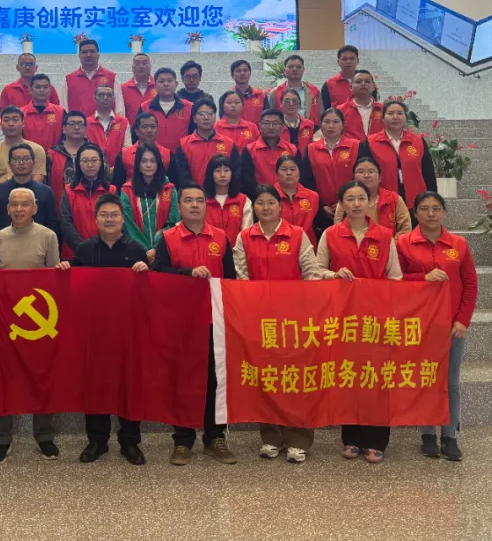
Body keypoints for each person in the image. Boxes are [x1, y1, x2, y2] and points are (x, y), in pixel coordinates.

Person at [232, 184, 325, 464]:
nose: (266, 207)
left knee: (297, 378)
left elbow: (311, 273)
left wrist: (302, 304)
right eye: (260, 203)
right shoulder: (244, 237)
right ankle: (271, 438)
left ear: (280, 206)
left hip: (295, 320)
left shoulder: (297, 235)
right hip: (260, 320)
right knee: (267, 378)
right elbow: (240, 276)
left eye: (271, 202)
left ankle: (299, 440)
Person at [316, 180, 402, 464]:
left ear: (369, 202)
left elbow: (395, 277)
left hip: (377, 318)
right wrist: (334, 275)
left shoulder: (385, 235)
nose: (355, 204)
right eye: (350, 199)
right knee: (349, 376)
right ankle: (351, 438)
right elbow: (316, 270)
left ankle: (377, 440)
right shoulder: (330, 234)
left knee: (377, 377)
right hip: (343, 318)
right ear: (341, 203)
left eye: (361, 198)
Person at [153, 184, 237, 466]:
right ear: (179, 206)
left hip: (215, 321)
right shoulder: (167, 238)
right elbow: (159, 274)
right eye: (188, 200)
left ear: (206, 205)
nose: (194, 205)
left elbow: (231, 279)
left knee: (215, 379)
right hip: (180, 321)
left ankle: (215, 437)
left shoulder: (221, 238)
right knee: (182, 379)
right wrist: (187, 274)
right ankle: (183, 439)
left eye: (199, 200)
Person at [398, 191, 476, 463]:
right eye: (424, 208)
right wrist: (423, 277)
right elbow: (396, 279)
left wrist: (462, 320)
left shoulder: (459, 244)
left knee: (450, 381)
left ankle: (450, 435)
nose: (430, 214)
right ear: (415, 213)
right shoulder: (403, 243)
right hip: (419, 324)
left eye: (436, 208)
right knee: (424, 378)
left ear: (444, 212)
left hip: (451, 325)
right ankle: (428, 433)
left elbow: (470, 283)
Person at [74, 193, 151, 466]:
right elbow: (73, 287)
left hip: (128, 331)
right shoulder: (84, 250)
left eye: (114, 215)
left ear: (122, 219)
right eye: (104, 215)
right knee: (95, 384)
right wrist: (64, 268)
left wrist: (146, 271)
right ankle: (97, 440)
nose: (109, 219)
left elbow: (149, 292)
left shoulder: (136, 250)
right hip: (94, 331)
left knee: (129, 385)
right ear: (96, 219)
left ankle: (130, 441)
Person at [0, 187, 63, 464]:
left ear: (35, 208)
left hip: (39, 323)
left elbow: (53, 279)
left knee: (41, 377)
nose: (19, 209)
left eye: (25, 204)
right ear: (7, 209)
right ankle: (1, 439)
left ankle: (44, 436)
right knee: (3, 379)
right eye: (14, 205)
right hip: (6, 322)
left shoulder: (48, 236)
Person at [358, 99, 437, 210]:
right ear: (382, 118)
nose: (395, 117)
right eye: (390, 113)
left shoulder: (418, 141)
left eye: (400, 113)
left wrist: (433, 197)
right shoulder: (370, 143)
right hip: (383, 201)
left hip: (417, 200)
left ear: (406, 118)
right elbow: (364, 174)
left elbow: (428, 173)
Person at [0, 144, 59, 241]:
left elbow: (52, 225)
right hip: (5, 244)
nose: (21, 163)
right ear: (9, 164)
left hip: (37, 245)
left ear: (33, 163)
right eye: (16, 159)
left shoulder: (45, 192)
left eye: (26, 159)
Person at [119, 142, 178, 263]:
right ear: (138, 164)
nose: (148, 165)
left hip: (165, 250)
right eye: (144, 161)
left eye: (152, 161)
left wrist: (156, 248)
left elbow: (174, 222)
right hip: (135, 252)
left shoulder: (170, 189)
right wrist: (145, 250)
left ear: (158, 163)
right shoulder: (127, 190)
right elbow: (128, 225)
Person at [60, 142, 116, 259]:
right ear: (78, 164)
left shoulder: (111, 191)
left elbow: (115, 222)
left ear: (101, 163)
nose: (90, 164)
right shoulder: (69, 190)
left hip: (104, 252)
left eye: (94, 160)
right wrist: (84, 249)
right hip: (74, 254)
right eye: (85, 161)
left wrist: (100, 248)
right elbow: (66, 223)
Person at [302, 107, 359, 219]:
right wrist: (321, 205)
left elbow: (360, 178)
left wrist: (345, 202)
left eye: (336, 122)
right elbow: (307, 181)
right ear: (320, 124)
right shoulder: (310, 149)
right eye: (327, 122)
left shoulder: (356, 146)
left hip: (352, 206)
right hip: (322, 209)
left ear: (343, 125)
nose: (331, 126)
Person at [333, 156, 411, 237]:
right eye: (360, 172)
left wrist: (389, 243)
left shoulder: (394, 199)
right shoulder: (347, 199)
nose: (366, 175)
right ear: (354, 178)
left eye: (371, 171)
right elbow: (338, 229)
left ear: (380, 178)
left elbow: (405, 229)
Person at [173, 97, 240, 189]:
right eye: (201, 114)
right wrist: (197, 192)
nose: (206, 117)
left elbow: (236, 172)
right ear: (194, 118)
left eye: (210, 113)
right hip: (194, 195)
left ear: (215, 117)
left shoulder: (229, 144)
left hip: (222, 194)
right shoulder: (184, 145)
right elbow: (183, 175)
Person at [0, 107, 46, 190]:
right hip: (0, 194)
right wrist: (3, 194)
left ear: (23, 123)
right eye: (6, 120)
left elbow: (38, 178)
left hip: (29, 194)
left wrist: (22, 194)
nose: (11, 124)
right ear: (0, 124)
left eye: (15, 120)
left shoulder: (37, 149)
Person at [239, 108, 296, 199]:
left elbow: (298, 177)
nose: (271, 127)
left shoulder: (292, 150)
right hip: (259, 200)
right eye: (266, 123)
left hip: (287, 199)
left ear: (282, 127)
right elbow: (247, 181)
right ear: (260, 126)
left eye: (275, 123)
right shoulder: (249, 150)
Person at [112, 111, 174, 189]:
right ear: (137, 131)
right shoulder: (124, 155)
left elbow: (173, 185)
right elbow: (117, 186)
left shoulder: (168, 155)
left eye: (153, 126)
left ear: (158, 130)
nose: (149, 130)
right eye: (145, 127)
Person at [203, 154, 252, 246]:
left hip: (237, 252)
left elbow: (246, 232)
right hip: (209, 251)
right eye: (218, 171)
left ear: (232, 173)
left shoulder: (243, 201)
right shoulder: (202, 201)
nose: (222, 175)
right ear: (211, 174)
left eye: (226, 170)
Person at [140, 68, 193, 153]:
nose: (166, 84)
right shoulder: (145, 107)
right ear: (155, 85)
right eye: (161, 81)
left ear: (176, 84)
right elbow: (137, 135)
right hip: (152, 157)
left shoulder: (189, 107)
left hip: (180, 157)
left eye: (169, 81)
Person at [274, 154, 322, 244]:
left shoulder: (312, 196)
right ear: (276, 174)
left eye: (293, 169)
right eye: (284, 169)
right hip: (278, 245)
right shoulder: (270, 196)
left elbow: (319, 224)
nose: (289, 173)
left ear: (299, 173)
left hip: (306, 245)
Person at [46, 110, 87, 207]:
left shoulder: (96, 152)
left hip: (89, 207)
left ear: (86, 129)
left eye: (80, 124)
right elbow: (45, 185)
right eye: (72, 124)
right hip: (59, 206)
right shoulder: (52, 153)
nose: (76, 127)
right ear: (64, 129)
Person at [66, 38, 116, 116]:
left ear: (98, 55)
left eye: (92, 51)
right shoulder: (69, 79)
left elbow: (119, 107)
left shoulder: (111, 77)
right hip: (78, 123)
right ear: (79, 56)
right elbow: (64, 107)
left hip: (105, 123)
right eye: (84, 52)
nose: (88, 55)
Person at [86, 83, 129, 166]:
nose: (105, 98)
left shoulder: (123, 122)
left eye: (109, 95)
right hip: (93, 168)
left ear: (113, 99)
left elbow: (127, 147)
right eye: (101, 95)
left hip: (117, 168)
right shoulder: (87, 123)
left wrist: (117, 166)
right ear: (94, 99)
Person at [270, 54, 320, 122]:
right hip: (284, 128)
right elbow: (271, 116)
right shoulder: (275, 93)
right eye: (291, 67)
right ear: (284, 70)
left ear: (303, 70)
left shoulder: (314, 91)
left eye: (298, 67)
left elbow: (321, 115)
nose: (294, 69)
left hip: (310, 127)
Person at [20, 74, 64, 149]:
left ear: (50, 90)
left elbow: (66, 137)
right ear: (30, 89)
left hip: (54, 154)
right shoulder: (21, 113)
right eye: (38, 87)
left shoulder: (60, 112)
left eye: (45, 87)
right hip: (28, 155)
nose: (42, 90)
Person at [339, 70, 384, 141]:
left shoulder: (383, 110)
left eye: (367, 81)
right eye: (358, 82)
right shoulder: (340, 110)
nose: (363, 84)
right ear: (351, 87)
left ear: (373, 86)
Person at [320, 45, 361, 111]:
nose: (348, 62)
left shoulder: (367, 82)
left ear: (358, 61)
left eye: (352, 58)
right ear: (338, 62)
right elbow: (326, 111)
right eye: (344, 59)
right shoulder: (328, 85)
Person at [277, 88, 317, 154]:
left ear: (299, 104)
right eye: (287, 101)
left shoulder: (309, 125)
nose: (291, 104)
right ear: (281, 104)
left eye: (295, 101)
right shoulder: (277, 125)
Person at [120, 53, 155, 119]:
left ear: (150, 67)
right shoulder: (123, 89)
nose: (141, 66)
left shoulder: (159, 87)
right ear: (132, 68)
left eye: (144, 63)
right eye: (137, 63)